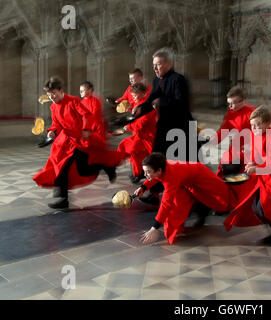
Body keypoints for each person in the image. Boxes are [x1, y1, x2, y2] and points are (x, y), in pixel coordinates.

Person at [33, 77, 125, 209]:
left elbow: (86, 115)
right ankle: (63, 198)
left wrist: (86, 129)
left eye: (53, 93)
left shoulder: (73, 101)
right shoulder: (53, 107)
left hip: (79, 141)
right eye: (49, 94)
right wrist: (52, 131)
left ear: (61, 91)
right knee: (68, 169)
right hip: (65, 142)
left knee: (76, 169)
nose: (51, 97)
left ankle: (105, 166)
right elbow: (56, 124)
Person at [223, 107, 271, 246]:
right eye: (252, 125)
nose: (254, 128)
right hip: (264, 179)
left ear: (267, 123)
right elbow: (257, 155)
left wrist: (255, 168)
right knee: (258, 209)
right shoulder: (256, 135)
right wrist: (250, 161)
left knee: (265, 208)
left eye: (258, 124)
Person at [135, 153, 237, 245]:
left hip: (200, 174)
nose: (145, 175)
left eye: (147, 172)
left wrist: (155, 227)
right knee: (178, 205)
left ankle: (209, 209)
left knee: (220, 194)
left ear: (159, 170)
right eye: (144, 171)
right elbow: (155, 177)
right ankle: (200, 211)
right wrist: (143, 187)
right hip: (186, 182)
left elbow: (166, 203)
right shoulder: (161, 168)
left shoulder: (171, 177)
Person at [132, 48, 195, 161]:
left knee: (184, 161)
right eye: (153, 65)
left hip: (181, 124)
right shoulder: (157, 80)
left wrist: (160, 101)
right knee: (158, 157)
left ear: (169, 63)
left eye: (158, 64)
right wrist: (140, 108)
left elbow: (181, 102)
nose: (155, 68)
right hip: (164, 123)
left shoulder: (178, 79)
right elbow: (151, 99)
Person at [208, 86, 256, 176]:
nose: (230, 107)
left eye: (232, 104)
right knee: (224, 172)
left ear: (242, 101)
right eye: (228, 104)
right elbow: (224, 130)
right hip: (235, 149)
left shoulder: (253, 113)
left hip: (250, 151)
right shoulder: (231, 114)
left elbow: (261, 133)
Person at [117, 82, 157, 184]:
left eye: (136, 94)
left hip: (147, 137)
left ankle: (140, 174)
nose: (133, 96)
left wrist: (128, 126)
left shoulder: (147, 107)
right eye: (133, 94)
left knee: (135, 151)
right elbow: (133, 115)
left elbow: (141, 123)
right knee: (134, 153)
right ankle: (138, 173)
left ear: (143, 94)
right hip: (138, 136)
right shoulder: (136, 103)